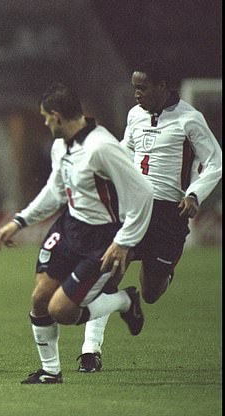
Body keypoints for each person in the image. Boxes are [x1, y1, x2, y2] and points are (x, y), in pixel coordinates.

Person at [0, 82, 154, 384]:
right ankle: (50, 371)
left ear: (56, 116)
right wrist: (20, 220)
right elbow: (55, 191)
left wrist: (124, 241)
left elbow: (143, 193)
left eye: (45, 117)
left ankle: (125, 301)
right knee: (40, 298)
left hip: (100, 239)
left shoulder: (102, 148)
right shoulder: (61, 145)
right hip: (69, 227)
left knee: (62, 311)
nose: (43, 122)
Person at [77, 59, 223, 373]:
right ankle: (90, 351)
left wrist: (195, 193)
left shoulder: (189, 120)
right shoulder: (134, 116)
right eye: (134, 88)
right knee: (108, 271)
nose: (136, 94)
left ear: (162, 87)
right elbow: (126, 149)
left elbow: (215, 162)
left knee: (152, 292)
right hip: (132, 206)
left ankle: (155, 279)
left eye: (142, 88)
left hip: (168, 215)